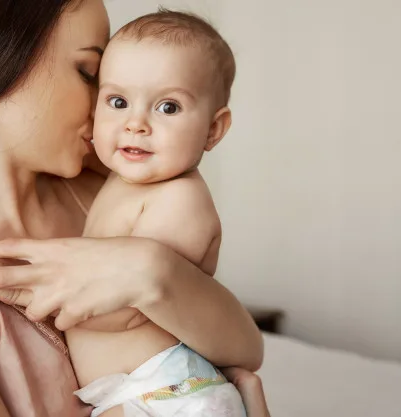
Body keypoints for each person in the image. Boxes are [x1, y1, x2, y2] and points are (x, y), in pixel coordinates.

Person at [0, 0, 269, 416]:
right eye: (91, 74)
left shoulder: (109, 192)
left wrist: (153, 271)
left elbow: (247, 349)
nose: (106, 110)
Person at [49, 9, 249, 416]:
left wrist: (44, 296)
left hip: (170, 393)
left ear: (213, 129)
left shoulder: (180, 200)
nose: (135, 123)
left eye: (169, 107)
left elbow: (124, 309)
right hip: (137, 390)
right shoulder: (117, 180)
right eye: (118, 101)